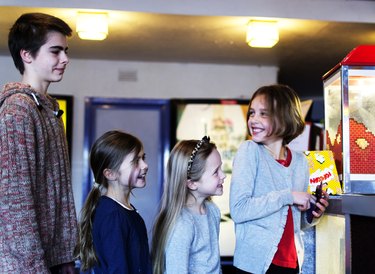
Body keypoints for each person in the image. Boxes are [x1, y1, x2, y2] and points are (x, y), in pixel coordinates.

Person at [0, 13, 78, 273]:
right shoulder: (17, 110)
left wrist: (66, 256)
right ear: (27, 55)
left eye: (65, 51)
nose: (65, 59)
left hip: (53, 260)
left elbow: (59, 192)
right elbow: (14, 200)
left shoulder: (49, 110)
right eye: (55, 51)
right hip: (26, 266)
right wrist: (33, 267)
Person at [230, 84, 329, 274]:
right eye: (252, 113)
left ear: (285, 118)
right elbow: (239, 210)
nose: (254, 119)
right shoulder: (249, 151)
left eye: (263, 114)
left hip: (292, 263)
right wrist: (289, 196)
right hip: (255, 266)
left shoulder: (301, 161)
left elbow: (295, 221)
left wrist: (312, 213)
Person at [75, 130, 152, 273]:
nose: (144, 165)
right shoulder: (112, 215)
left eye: (143, 158)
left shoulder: (122, 211)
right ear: (110, 174)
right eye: (136, 161)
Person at [152, 136, 226, 274]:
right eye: (216, 172)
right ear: (192, 183)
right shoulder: (183, 224)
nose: (223, 175)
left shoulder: (212, 211)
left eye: (221, 168)